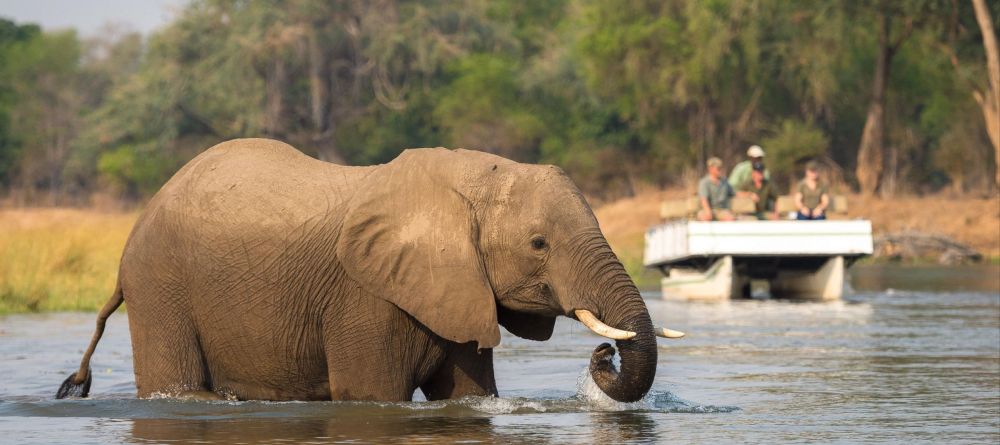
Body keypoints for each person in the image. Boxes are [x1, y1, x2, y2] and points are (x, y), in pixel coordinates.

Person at [697, 157, 735, 221]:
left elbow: (734, 193)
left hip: (721, 210)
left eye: (721, 168)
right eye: (718, 168)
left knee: (730, 218)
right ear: (710, 169)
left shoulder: (724, 182)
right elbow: (703, 199)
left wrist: (749, 194)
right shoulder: (704, 182)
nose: (720, 170)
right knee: (704, 218)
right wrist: (707, 211)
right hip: (707, 209)